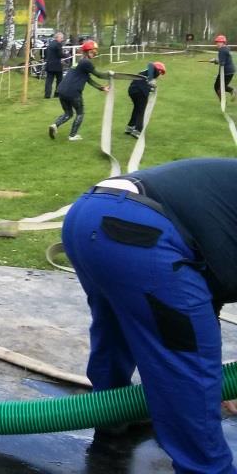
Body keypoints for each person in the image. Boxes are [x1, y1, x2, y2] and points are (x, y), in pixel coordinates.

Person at [62, 158, 237, 473]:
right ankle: (207, 469)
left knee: (116, 330)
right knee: (190, 365)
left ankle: (112, 414)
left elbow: (212, 279)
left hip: (88, 215)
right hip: (141, 232)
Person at [48, 40, 110, 142]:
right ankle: (72, 135)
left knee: (68, 113)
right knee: (80, 113)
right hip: (73, 92)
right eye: (93, 51)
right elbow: (99, 75)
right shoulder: (86, 62)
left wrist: (102, 88)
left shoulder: (79, 62)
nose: (94, 53)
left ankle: (54, 125)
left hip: (62, 90)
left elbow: (88, 79)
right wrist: (111, 74)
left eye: (95, 51)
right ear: (87, 51)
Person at [125, 62, 166, 138]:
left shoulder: (146, 73)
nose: (160, 74)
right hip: (140, 92)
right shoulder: (152, 71)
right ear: (158, 69)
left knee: (137, 109)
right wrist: (150, 82)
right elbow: (150, 64)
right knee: (141, 111)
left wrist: (151, 87)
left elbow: (145, 83)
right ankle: (137, 131)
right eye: (161, 72)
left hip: (132, 91)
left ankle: (130, 127)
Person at [211, 34, 234, 99]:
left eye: (219, 42)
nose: (217, 44)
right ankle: (232, 91)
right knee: (222, 86)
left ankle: (223, 100)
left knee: (217, 87)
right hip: (230, 71)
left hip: (226, 72)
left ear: (223, 42)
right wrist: (215, 60)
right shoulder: (226, 48)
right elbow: (223, 60)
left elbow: (222, 63)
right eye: (216, 42)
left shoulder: (222, 50)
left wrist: (215, 61)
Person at [44, 32, 66, 99]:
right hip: (57, 65)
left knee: (49, 81)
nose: (62, 39)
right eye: (61, 38)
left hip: (49, 64)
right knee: (59, 80)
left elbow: (46, 53)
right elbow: (60, 54)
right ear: (57, 38)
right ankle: (57, 94)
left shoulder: (50, 44)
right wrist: (66, 55)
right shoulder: (58, 44)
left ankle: (47, 95)